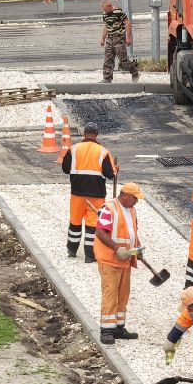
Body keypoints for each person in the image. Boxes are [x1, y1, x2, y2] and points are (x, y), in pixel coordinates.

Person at [94, 183, 143, 345]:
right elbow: (100, 232)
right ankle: (106, 330)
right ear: (125, 195)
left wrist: (137, 247)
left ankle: (118, 327)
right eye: (135, 198)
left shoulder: (132, 210)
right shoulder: (108, 209)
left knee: (123, 294)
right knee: (110, 293)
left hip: (125, 259)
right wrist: (116, 248)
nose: (136, 201)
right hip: (110, 259)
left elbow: (132, 232)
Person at [61, 123, 117, 262]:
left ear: (84, 133)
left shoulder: (73, 149)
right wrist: (116, 169)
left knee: (75, 222)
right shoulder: (103, 152)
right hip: (96, 195)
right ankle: (90, 255)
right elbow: (110, 174)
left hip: (77, 193)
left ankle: (72, 250)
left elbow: (66, 169)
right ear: (96, 134)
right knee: (93, 225)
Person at [100, 0, 140, 84]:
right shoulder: (105, 14)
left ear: (110, 6)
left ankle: (135, 72)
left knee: (123, 59)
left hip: (119, 38)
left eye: (106, 9)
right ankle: (107, 78)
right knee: (108, 59)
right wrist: (103, 38)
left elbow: (128, 23)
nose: (105, 11)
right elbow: (106, 26)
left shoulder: (118, 12)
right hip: (109, 38)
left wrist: (128, 38)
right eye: (103, 10)